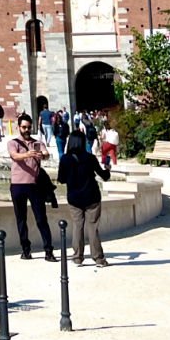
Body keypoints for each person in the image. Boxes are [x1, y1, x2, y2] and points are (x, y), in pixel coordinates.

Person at [57, 131, 111, 265]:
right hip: (91, 196)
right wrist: (108, 169)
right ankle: (98, 258)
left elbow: (61, 179)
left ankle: (77, 257)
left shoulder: (65, 159)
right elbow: (104, 176)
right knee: (92, 227)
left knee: (77, 226)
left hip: (74, 198)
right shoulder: (90, 158)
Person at [8, 113, 55, 261]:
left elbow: (47, 154)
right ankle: (26, 250)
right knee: (21, 219)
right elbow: (14, 156)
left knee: (41, 219)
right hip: (17, 185)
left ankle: (48, 250)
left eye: (28, 127)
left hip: (34, 185)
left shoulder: (37, 142)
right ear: (18, 127)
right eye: (24, 127)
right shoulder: (13, 142)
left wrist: (43, 155)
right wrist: (28, 154)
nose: (26, 130)